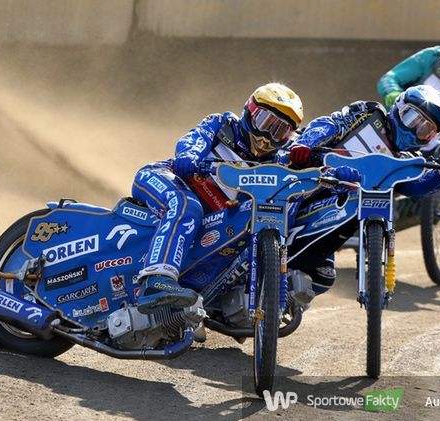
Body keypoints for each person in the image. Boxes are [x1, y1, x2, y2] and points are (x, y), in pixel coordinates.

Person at [132, 83, 314, 313]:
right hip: (162, 177)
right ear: (250, 111)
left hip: (211, 218)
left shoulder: (277, 162)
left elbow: (306, 176)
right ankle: (156, 281)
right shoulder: (222, 124)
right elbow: (193, 140)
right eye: (265, 123)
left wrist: (338, 174)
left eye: (279, 131)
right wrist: (189, 156)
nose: (268, 136)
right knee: (187, 206)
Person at [283, 85, 440, 297]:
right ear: (399, 108)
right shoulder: (368, 113)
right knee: (285, 206)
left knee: (323, 278)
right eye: (413, 119)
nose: (415, 130)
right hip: (302, 178)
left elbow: (416, 187)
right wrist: (306, 144)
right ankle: (267, 244)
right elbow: (330, 124)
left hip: (334, 205)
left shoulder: (406, 160)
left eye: (425, 130)